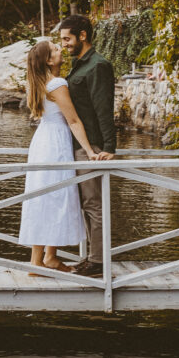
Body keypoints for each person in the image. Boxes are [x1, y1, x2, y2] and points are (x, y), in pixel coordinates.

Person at [19, 39, 99, 274]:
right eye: (55, 49)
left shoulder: (36, 82)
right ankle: (39, 261)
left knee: (46, 197)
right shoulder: (57, 84)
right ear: (48, 60)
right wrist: (90, 151)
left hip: (42, 141)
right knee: (56, 196)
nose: (60, 49)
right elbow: (73, 120)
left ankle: (47, 258)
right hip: (56, 143)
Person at [58, 14, 116, 278]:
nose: (64, 44)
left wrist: (109, 147)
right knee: (85, 204)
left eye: (67, 39)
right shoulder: (79, 65)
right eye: (61, 40)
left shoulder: (97, 66)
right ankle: (91, 257)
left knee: (94, 204)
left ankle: (98, 262)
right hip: (77, 146)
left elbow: (104, 108)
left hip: (91, 146)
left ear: (83, 36)